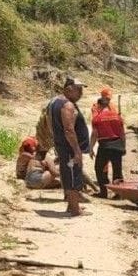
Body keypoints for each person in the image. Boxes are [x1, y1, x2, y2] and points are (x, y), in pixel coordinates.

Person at [51, 76, 91, 216]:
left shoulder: (56, 101)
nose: (81, 93)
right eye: (78, 90)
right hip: (69, 148)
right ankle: (75, 209)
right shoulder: (67, 105)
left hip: (63, 146)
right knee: (73, 176)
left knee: (68, 174)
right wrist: (76, 150)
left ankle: (72, 205)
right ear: (69, 89)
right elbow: (68, 129)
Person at [89, 97, 126, 198]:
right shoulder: (117, 117)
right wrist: (123, 146)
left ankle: (103, 192)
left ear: (99, 106)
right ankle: (119, 194)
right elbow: (122, 133)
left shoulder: (97, 118)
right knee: (117, 169)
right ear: (109, 105)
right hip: (117, 144)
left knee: (99, 168)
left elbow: (94, 134)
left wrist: (91, 148)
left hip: (105, 145)